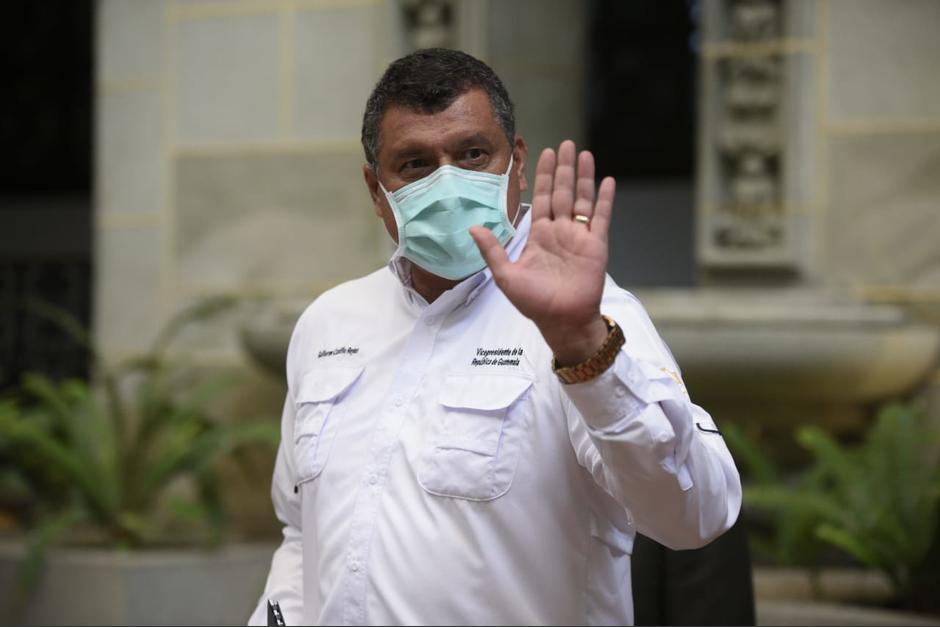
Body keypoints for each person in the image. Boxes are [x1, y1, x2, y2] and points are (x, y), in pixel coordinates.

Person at [248, 48, 741, 626]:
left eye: (473, 155)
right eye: (414, 164)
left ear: (518, 163)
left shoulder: (591, 319)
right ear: (376, 188)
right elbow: (301, 531)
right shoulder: (329, 323)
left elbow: (695, 516)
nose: (449, 183)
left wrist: (584, 351)